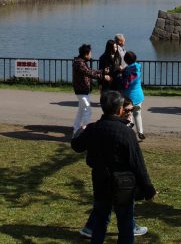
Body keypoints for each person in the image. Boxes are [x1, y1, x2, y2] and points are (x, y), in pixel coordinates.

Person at [71, 90, 157, 243]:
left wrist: (80, 130)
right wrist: (148, 188)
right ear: (119, 110)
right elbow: (137, 163)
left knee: (100, 221)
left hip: (100, 180)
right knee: (125, 224)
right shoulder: (126, 132)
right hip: (124, 183)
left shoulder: (94, 128)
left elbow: (76, 145)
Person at [72, 44, 108, 135]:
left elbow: (90, 70)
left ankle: (76, 130)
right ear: (86, 54)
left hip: (83, 91)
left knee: (81, 111)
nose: (91, 55)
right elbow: (89, 73)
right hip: (81, 91)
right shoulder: (79, 63)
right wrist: (103, 76)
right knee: (87, 110)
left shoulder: (81, 62)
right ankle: (84, 132)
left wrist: (102, 71)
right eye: (90, 53)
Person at [122, 51, 146, 141]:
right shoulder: (138, 67)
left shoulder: (126, 71)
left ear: (126, 60)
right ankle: (140, 132)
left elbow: (125, 84)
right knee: (138, 113)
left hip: (128, 95)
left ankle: (129, 130)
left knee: (128, 113)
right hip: (138, 95)